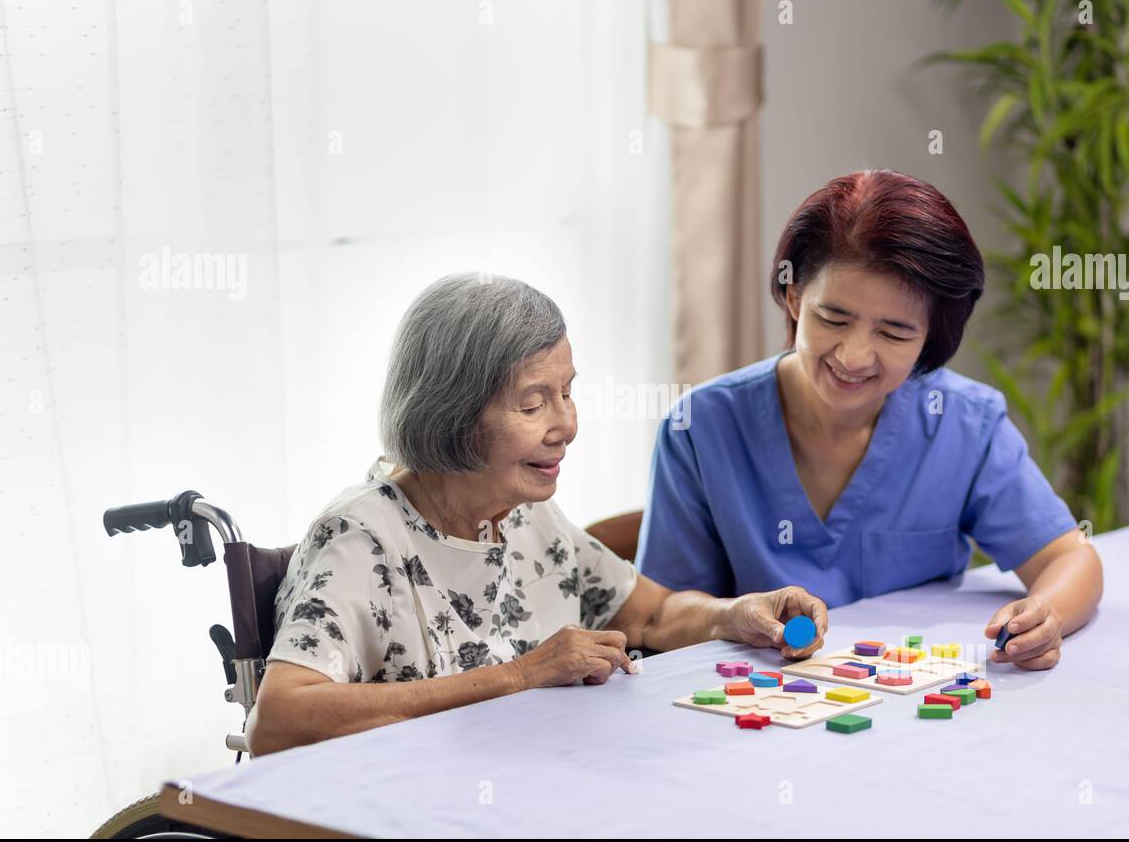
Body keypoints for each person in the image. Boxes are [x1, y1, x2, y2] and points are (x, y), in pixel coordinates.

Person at [246, 273, 827, 756]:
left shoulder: (525, 517)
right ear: (451, 413)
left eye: (566, 393)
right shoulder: (362, 536)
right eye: (532, 404)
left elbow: (653, 615)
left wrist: (737, 614)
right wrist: (520, 676)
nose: (567, 426)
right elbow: (279, 720)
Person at [636, 170, 1103, 671]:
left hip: (920, 700)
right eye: (833, 318)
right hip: (765, 709)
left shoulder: (963, 424)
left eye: (895, 332)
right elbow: (657, 615)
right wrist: (728, 616)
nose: (855, 356)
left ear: (930, 337)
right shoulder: (702, 427)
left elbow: (1068, 556)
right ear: (793, 298)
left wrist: (1045, 614)